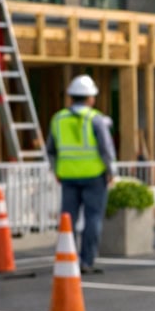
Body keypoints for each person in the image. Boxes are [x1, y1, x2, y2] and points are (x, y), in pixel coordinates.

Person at [47, 74, 115, 275]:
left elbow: (51, 150)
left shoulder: (58, 119)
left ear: (71, 97)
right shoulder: (96, 119)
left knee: (67, 219)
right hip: (94, 176)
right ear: (90, 98)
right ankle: (87, 261)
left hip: (67, 177)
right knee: (93, 218)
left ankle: (66, 257)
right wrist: (111, 171)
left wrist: (56, 170)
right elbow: (106, 150)